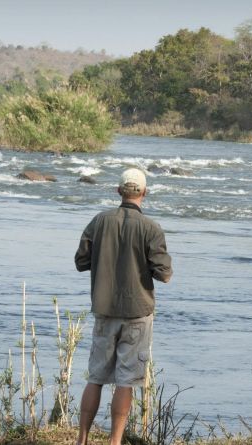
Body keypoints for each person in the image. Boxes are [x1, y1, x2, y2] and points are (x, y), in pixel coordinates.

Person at [74, 167, 173, 445]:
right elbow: (164, 274)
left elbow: (81, 262)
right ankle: (114, 441)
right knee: (126, 381)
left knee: (95, 377)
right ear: (144, 193)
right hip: (137, 312)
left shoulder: (99, 221)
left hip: (104, 310)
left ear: (118, 191)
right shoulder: (151, 227)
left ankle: (81, 439)